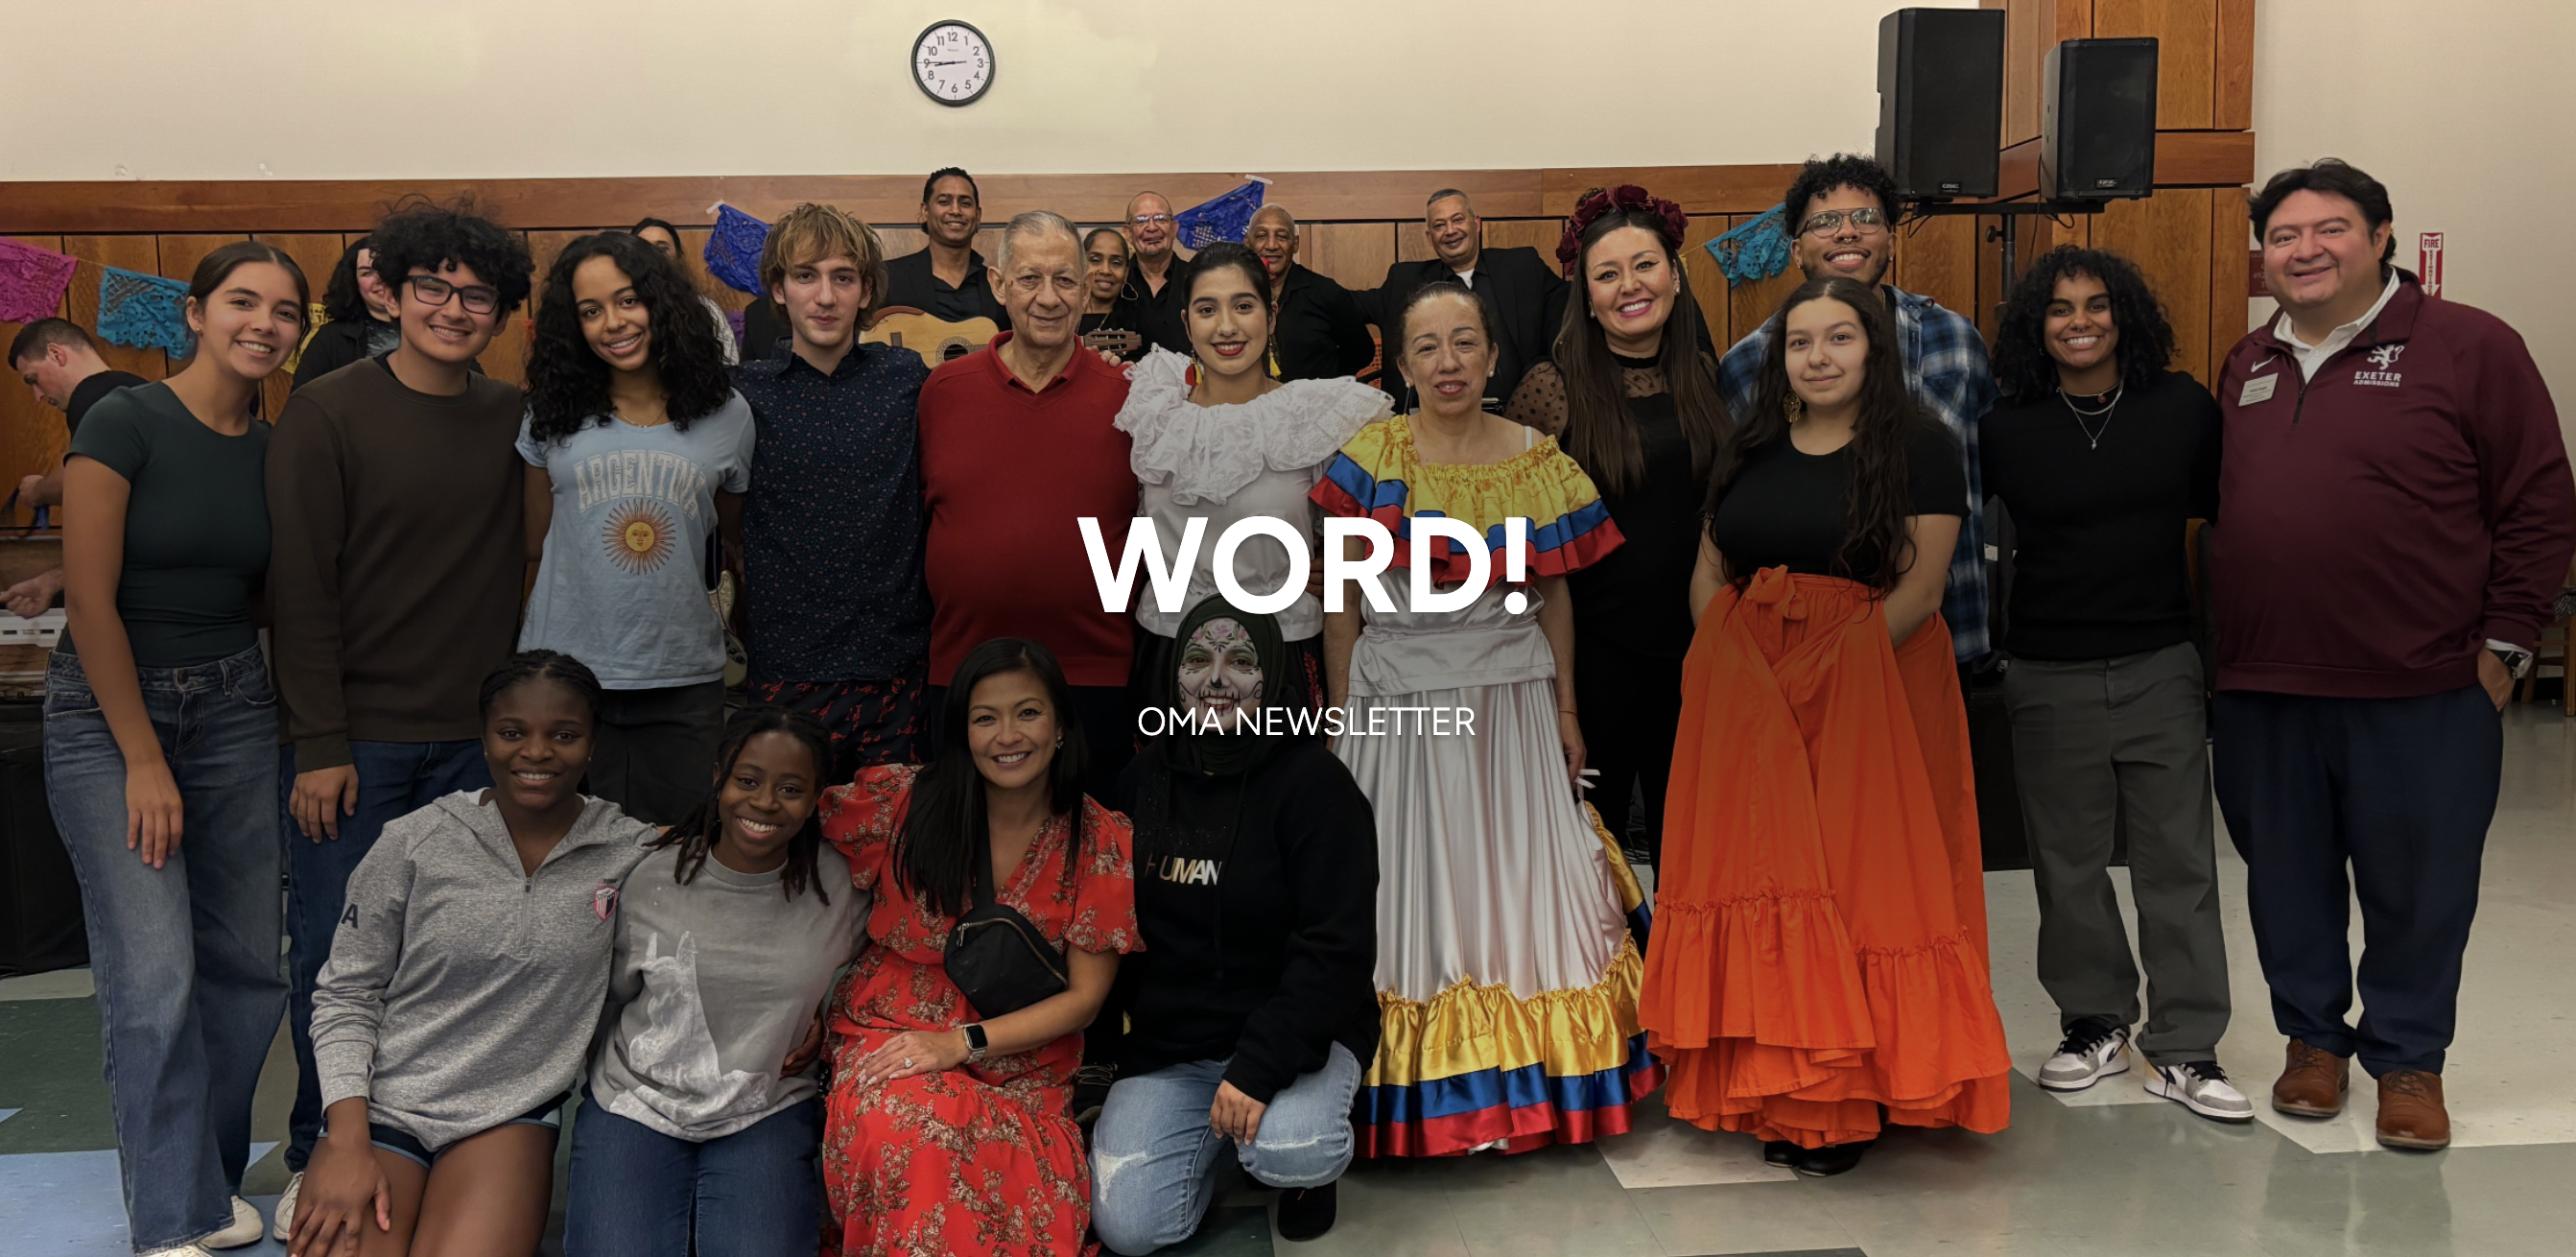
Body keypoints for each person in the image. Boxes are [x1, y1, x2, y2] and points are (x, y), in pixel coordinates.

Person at [2211, 160, 2576, 1150]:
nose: (2306, 249)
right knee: (2283, 875)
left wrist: (2506, 642)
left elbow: (2541, 502)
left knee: (2420, 882)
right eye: (2285, 235)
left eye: (2331, 228)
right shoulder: (2245, 362)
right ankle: (2313, 1043)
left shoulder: (2470, 348)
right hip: (2263, 680)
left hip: (2425, 684)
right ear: (2264, 256)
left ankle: (2411, 1057)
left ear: (2380, 237)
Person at [1650, 275, 2012, 1177]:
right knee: (1768, 876)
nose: (1818, 357)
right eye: (1800, 342)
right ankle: (1784, 1087)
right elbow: (1708, 571)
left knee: (1864, 885)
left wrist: (1816, 672)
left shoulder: (1920, 446)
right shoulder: (1748, 446)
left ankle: (1862, 1088)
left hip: (1872, 686)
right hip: (1749, 693)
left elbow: (1921, 590)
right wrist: (1733, 666)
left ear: (1872, 349)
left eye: (1838, 338)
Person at [1312, 282, 1658, 1157]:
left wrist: (1567, 707)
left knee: (1512, 881)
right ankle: (1402, 1088)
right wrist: (1345, 710)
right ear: (1400, 365)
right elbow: (1343, 601)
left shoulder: (1539, 458)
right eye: (1426, 347)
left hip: (1510, 702)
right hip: (1394, 704)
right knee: (1404, 887)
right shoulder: (1371, 454)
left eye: (1464, 342)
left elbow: (1554, 596)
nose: (1447, 362)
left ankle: (1534, 1086)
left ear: (1493, 356)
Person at [266, 197, 536, 1239]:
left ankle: (426, 1139)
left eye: (477, 294)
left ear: (502, 310)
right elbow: (300, 588)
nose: (454, 309)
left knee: (456, 954)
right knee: (338, 956)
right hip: (359, 741)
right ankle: (313, 1146)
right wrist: (321, 741)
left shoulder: (514, 416)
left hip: (477, 745)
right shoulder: (327, 410)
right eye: (435, 287)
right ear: (393, 290)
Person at [45, 243, 307, 1257]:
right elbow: (91, 598)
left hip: (236, 701)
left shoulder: (273, 447)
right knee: (154, 975)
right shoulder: (122, 419)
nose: (265, 324)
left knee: (249, 969)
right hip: (109, 713)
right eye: (243, 301)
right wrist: (142, 754)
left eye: (285, 311)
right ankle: (169, 1216)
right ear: (194, 313)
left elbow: (257, 590)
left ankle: (203, 1185)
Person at [1982, 247, 2245, 1122]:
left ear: (2123, 314)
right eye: (2060, 309)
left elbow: (2219, 525)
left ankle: (2186, 1045)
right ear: (2036, 326)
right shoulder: (2007, 424)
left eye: (2097, 304)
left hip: (2158, 663)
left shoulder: (2181, 409)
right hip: (2047, 668)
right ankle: (2094, 1021)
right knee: (2067, 863)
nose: (2080, 321)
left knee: (2178, 861)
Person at [291, 652, 658, 1257]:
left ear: (592, 745)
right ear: (484, 739)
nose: (536, 753)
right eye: (512, 733)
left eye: (563, 735)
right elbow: (346, 994)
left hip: (507, 1115)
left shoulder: (632, 851)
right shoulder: (413, 842)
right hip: (382, 1108)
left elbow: (732, 890)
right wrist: (342, 1141)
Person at [815, 637, 1140, 1257]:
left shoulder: (1098, 838)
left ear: (1061, 726)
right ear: (961, 730)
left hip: (1022, 1062)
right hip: (894, 1035)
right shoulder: (900, 804)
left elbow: (1084, 1000)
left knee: (1024, 1197)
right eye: (984, 718)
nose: (1006, 735)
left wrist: (961, 1043)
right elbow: (780, 821)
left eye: (1027, 712)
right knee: (917, 1139)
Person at [1091, 596, 1378, 1252]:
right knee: (1130, 1228)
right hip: (1176, 1045)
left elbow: (1335, 950)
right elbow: (1107, 929)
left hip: (1295, 1037)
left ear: (1271, 675)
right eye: (1198, 658)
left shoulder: (1316, 786)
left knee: (1293, 1150)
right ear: (1173, 675)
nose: (1216, 678)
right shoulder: (1140, 782)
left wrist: (1257, 1067)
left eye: (1239, 660)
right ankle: (1223, 1136)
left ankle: (1287, 1159)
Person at [565, 708, 865, 1257]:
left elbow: (889, 970)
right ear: (718, 777)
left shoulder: (839, 886)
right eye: (747, 780)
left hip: (766, 1107)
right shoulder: (650, 874)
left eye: (790, 787)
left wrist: (826, 1018)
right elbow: (602, 994)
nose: (765, 802)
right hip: (636, 1100)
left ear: (819, 796)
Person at [1505, 185, 1730, 867]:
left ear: (1673, 272)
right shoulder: (1551, 388)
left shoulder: (1701, 374)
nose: (1629, 286)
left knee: (1689, 851)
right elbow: (1519, 544)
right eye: (1607, 273)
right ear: (1586, 292)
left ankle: (1679, 979)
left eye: (1644, 265)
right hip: (1593, 659)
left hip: (1696, 652)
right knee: (1589, 857)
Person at [1717, 154, 1994, 666]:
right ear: (1796, 250)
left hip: (1940, 632)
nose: (1846, 233)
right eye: (1825, 222)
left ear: (1891, 237)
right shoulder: (1748, 364)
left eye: (1864, 218)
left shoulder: (1954, 340)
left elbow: (1986, 471)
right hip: (1794, 646)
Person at [521, 231, 753, 824]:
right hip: (567, 676)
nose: (613, 323)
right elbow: (533, 546)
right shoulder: (551, 411)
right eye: (590, 311)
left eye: (628, 301)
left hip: (682, 677)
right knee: (569, 866)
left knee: (675, 861)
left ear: (661, 302)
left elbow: (731, 544)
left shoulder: (727, 413)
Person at [1113, 242, 1388, 717]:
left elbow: (1359, 550)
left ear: (1272, 314)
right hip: (1168, 649)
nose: (1226, 326)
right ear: (1186, 322)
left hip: (1282, 650)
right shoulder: (1155, 413)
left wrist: (1342, 572)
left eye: (1243, 306)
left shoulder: (1315, 418)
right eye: (1207, 308)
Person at [918, 210, 1138, 798]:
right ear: (997, 284)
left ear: (1088, 286)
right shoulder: (943, 392)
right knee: (965, 860)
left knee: (1093, 863)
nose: (1048, 298)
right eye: (1029, 279)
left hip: (1095, 676)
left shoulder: (1131, 398)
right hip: (964, 673)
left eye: (1065, 280)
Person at [734, 203, 935, 782]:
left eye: (842, 278)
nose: (825, 297)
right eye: (806, 276)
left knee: (891, 851)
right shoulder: (743, 395)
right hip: (787, 668)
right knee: (787, 851)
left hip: (894, 667)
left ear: (866, 290)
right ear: (779, 288)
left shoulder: (909, 380)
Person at [1357, 189, 1568, 408]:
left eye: (1458, 220)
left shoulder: (1522, 267)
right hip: (1431, 424)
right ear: (1430, 238)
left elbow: (1572, 301)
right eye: (1439, 225)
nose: (1450, 230)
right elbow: (1346, 304)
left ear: (1476, 224)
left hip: (1518, 418)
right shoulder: (1403, 281)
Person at [8, 319, 146, 618]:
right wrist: (52, 580)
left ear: (57, 354)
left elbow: (76, 477)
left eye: (33, 379)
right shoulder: (137, 388)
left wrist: (38, 491)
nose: (38, 396)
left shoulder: (93, 396)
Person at [1244, 204, 1374, 382]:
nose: (1272, 245)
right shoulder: (1233, 294)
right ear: (1248, 243)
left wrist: (1328, 384)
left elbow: (1362, 352)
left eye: (1282, 236)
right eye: (1261, 236)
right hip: (1253, 404)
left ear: (1295, 244)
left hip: (1315, 405)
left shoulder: (1326, 292)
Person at [882, 167, 1010, 328]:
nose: (955, 210)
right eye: (944, 202)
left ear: (978, 216)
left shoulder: (997, 285)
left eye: (965, 203)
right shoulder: (887, 277)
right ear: (925, 211)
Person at [631, 217, 744, 365]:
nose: (653, 256)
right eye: (644, 248)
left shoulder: (705, 309)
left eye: (662, 248)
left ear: (678, 256)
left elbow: (729, 366)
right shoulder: (621, 309)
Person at [292, 238, 396, 391]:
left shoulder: (428, 329)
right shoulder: (331, 338)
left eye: (386, 269)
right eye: (367, 273)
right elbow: (301, 404)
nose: (379, 279)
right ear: (353, 281)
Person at [1122, 191, 1195, 355]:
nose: (1152, 227)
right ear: (1128, 233)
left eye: (1161, 219)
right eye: (1141, 221)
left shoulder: (1198, 278)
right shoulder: (1116, 282)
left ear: (1174, 229)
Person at [1077, 226, 1144, 359]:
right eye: (1095, 260)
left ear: (1126, 273)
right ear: (1080, 265)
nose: (1106, 270)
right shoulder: (1060, 315)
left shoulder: (1141, 322)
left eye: (1116, 263)